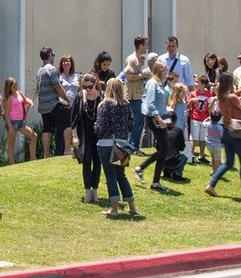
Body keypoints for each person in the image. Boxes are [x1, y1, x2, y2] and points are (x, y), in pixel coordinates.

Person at [205, 72, 241, 200]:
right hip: (237, 132)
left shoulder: (221, 98)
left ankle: (211, 185)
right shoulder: (232, 97)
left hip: (227, 131)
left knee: (228, 163)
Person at [95, 77, 139, 217]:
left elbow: (100, 127)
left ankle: (114, 208)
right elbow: (132, 125)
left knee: (110, 176)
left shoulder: (104, 105)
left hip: (106, 144)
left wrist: (94, 127)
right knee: (121, 175)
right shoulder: (126, 105)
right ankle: (131, 206)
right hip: (122, 145)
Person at [134, 61, 175, 191]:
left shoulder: (160, 84)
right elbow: (150, 104)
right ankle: (140, 167)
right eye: (165, 69)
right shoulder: (152, 83)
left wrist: (166, 112)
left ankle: (155, 183)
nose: (167, 71)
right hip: (153, 119)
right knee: (165, 149)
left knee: (164, 150)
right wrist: (160, 119)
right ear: (159, 70)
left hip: (160, 116)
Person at [72, 73, 103, 203]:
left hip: (99, 136)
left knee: (98, 163)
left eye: (90, 86)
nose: (87, 89)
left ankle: (94, 191)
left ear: (95, 83)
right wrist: (75, 137)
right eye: (85, 86)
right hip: (85, 136)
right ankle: (87, 191)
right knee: (86, 163)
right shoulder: (79, 97)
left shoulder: (101, 97)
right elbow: (73, 119)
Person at [35, 47, 69, 160]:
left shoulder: (40, 70)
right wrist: (67, 99)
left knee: (47, 128)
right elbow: (57, 86)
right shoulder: (52, 69)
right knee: (65, 122)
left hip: (43, 105)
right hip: (52, 104)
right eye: (53, 54)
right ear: (49, 55)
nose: (54, 56)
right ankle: (62, 151)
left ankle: (46, 153)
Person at [122, 36, 152, 148]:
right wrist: (144, 75)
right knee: (137, 121)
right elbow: (129, 77)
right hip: (133, 95)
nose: (147, 47)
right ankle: (132, 145)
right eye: (146, 45)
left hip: (138, 94)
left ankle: (133, 145)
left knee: (138, 121)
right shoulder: (132, 59)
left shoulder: (138, 58)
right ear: (140, 46)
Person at [2, 77, 38, 164]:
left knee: (34, 136)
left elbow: (25, 100)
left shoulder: (19, 93)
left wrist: (31, 103)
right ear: (9, 88)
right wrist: (10, 127)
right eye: (14, 86)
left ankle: (33, 158)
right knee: (11, 143)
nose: (16, 88)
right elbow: (6, 113)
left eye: (16, 86)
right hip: (12, 122)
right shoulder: (8, 98)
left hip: (21, 122)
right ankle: (12, 163)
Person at [187, 75, 214, 165]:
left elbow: (209, 108)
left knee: (203, 138)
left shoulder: (208, 94)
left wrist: (211, 105)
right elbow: (188, 107)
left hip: (204, 119)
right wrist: (191, 101)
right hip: (195, 118)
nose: (195, 84)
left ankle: (201, 156)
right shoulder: (193, 94)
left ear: (203, 84)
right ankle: (190, 155)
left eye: (197, 82)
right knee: (194, 137)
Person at [57, 55, 81, 157]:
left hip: (74, 105)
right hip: (63, 105)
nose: (66, 63)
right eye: (64, 62)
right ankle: (62, 150)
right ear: (61, 64)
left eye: (68, 61)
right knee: (64, 127)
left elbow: (80, 90)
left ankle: (71, 149)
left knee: (73, 127)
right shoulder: (59, 76)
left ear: (71, 64)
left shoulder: (76, 76)